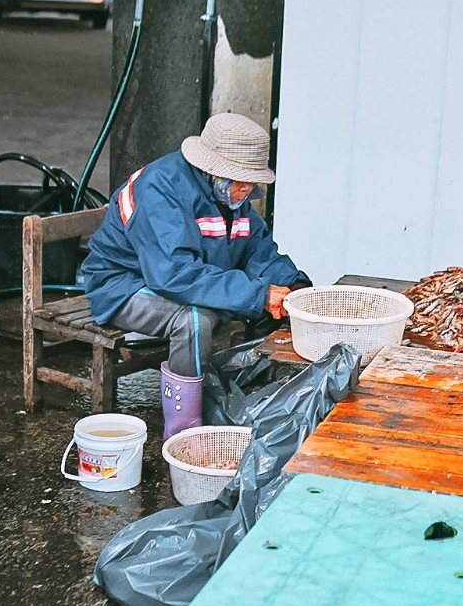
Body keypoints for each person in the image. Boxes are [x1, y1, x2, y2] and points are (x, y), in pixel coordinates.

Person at [82, 113, 310, 438]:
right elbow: (172, 274)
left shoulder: (232, 196)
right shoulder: (161, 188)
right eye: (239, 179)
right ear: (212, 169)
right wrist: (259, 295)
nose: (247, 188)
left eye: (250, 180)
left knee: (261, 306)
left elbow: (257, 249)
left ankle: (234, 405)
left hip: (174, 280)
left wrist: (294, 286)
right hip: (123, 286)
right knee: (193, 320)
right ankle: (186, 434)